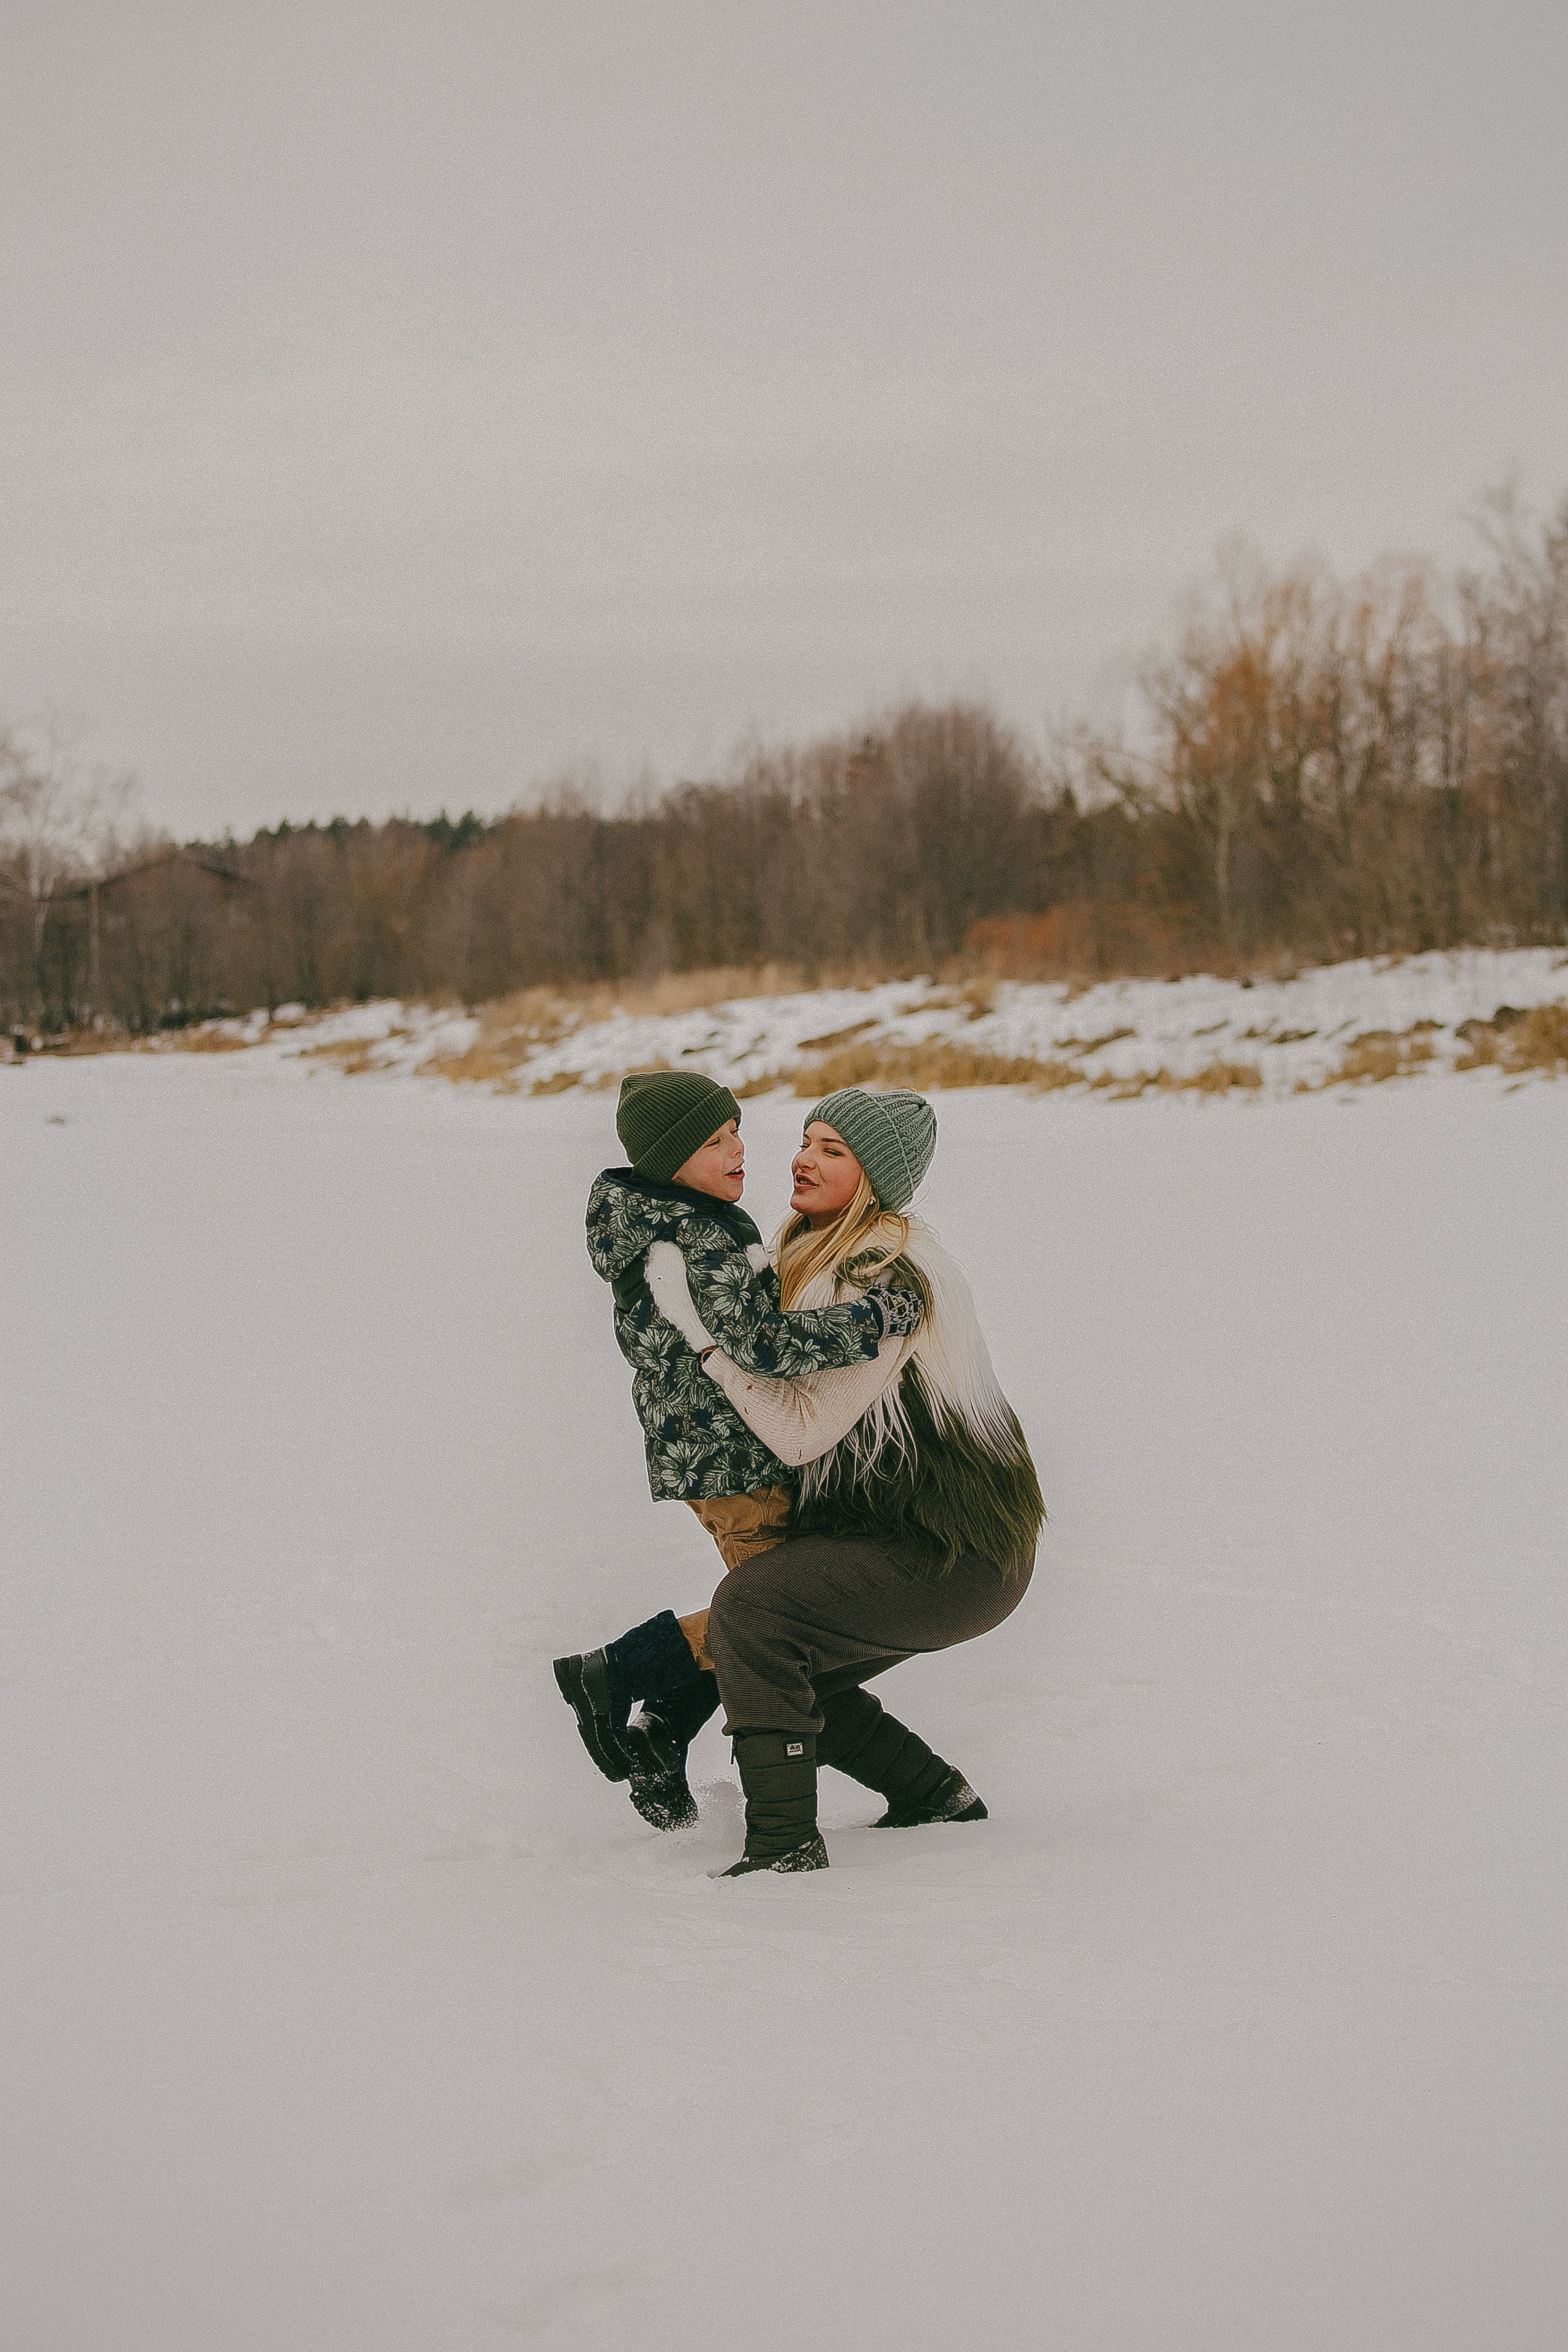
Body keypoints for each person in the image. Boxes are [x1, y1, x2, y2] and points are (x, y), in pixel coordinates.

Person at [561, 1084, 1045, 1877]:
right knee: (778, 1653)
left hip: (956, 1552)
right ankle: (935, 1797)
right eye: (806, 1139)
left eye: (834, 1150)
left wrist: (711, 1350)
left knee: (755, 1610)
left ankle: (782, 1839)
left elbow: (800, 1432)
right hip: (902, 1533)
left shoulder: (885, 1278)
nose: (801, 1158)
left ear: (876, 1179)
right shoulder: (806, 1252)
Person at [554, 1071, 921, 1830]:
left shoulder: (689, 1220)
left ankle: (665, 1726)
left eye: (736, 1131)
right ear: (667, 1159)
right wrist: (872, 1318)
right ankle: (617, 1671)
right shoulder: (690, 1235)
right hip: (728, 1457)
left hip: (716, 1453)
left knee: (776, 1616)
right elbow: (757, 1345)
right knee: (777, 1619)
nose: (739, 1151)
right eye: (712, 1140)